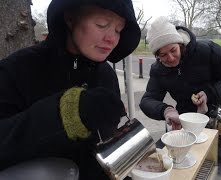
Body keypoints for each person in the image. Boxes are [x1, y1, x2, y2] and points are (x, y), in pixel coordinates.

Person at [0, 0, 140, 179]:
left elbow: (102, 145)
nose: (111, 39)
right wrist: (67, 114)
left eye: (118, 30)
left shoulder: (106, 75)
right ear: (70, 18)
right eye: (102, 24)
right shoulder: (16, 70)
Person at [139, 17, 221, 131]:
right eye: (163, 55)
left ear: (180, 44)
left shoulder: (206, 50)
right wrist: (166, 111)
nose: (170, 58)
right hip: (185, 119)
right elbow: (147, 101)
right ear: (157, 56)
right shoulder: (158, 70)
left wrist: (209, 94)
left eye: (173, 50)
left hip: (220, 115)